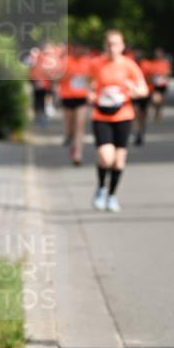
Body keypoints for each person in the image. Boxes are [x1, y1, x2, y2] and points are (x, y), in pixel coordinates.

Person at [89, 30, 149, 212]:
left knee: (118, 161)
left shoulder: (129, 66)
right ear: (104, 46)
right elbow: (88, 85)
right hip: (101, 115)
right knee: (106, 158)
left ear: (122, 46)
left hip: (123, 115)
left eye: (116, 44)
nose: (112, 48)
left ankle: (112, 196)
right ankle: (100, 188)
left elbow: (143, 90)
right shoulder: (96, 64)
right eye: (109, 44)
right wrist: (91, 95)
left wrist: (134, 91)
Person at [58, 45, 90, 164]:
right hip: (67, 96)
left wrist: (87, 80)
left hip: (82, 97)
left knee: (80, 125)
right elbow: (56, 78)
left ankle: (78, 154)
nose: (78, 51)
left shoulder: (88, 61)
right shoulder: (66, 61)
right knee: (70, 127)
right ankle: (70, 140)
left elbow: (93, 78)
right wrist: (68, 75)